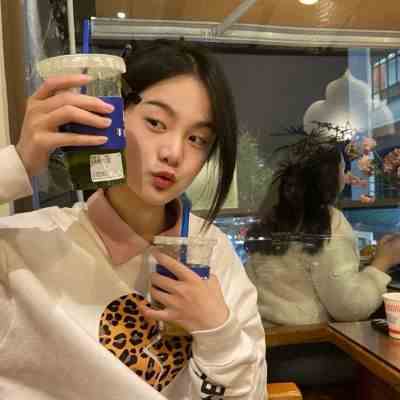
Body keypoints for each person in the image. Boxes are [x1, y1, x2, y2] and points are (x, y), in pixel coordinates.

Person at [0, 40, 266, 400]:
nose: (174, 153)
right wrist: (17, 162)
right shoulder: (26, 247)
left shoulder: (212, 253)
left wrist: (217, 333)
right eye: (155, 122)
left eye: (197, 139)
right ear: (111, 113)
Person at [244, 132, 400, 385]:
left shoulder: (273, 219)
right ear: (329, 178)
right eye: (343, 168)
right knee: (382, 368)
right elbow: (350, 307)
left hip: (264, 350)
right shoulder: (329, 222)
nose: (346, 175)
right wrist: (383, 261)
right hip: (309, 352)